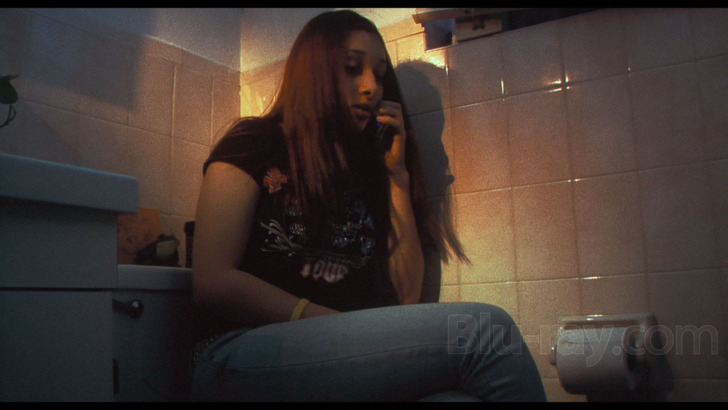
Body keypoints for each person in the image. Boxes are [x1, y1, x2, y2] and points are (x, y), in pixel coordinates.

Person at [190, 10, 546, 402]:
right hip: (237, 355)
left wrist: (397, 177)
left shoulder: (368, 170)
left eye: (379, 74)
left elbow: (407, 300)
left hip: (335, 356)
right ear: (313, 71)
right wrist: (326, 323)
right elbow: (212, 280)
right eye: (352, 68)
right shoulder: (253, 142)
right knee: (486, 332)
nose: (371, 87)